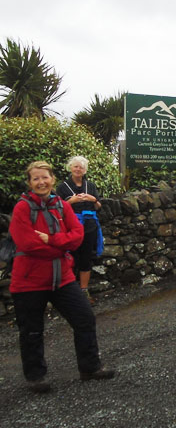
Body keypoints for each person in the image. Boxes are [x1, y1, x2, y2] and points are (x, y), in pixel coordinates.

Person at [9, 161, 114, 393]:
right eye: (35, 179)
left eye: (44, 177)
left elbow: (77, 236)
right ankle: (36, 377)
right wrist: (61, 245)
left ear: (52, 179)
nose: (41, 182)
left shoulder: (60, 205)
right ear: (29, 183)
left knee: (84, 318)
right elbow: (26, 243)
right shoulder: (22, 208)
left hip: (62, 277)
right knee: (32, 330)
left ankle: (89, 367)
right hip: (29, 280)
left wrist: (51, 240)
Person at [56, 156, 103, 305]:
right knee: (70, 257)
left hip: (89, 226)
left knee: (86, 257)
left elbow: (99, 207)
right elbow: (57, 209)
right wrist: (71, 201)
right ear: (71, 168)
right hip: (71, 226)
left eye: (81, 167)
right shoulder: (62, 187)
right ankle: (69, 293)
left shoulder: (91, 185)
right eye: (75, 166)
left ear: (85, 170)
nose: (78, 169)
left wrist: (92, 199)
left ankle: (84, 291)